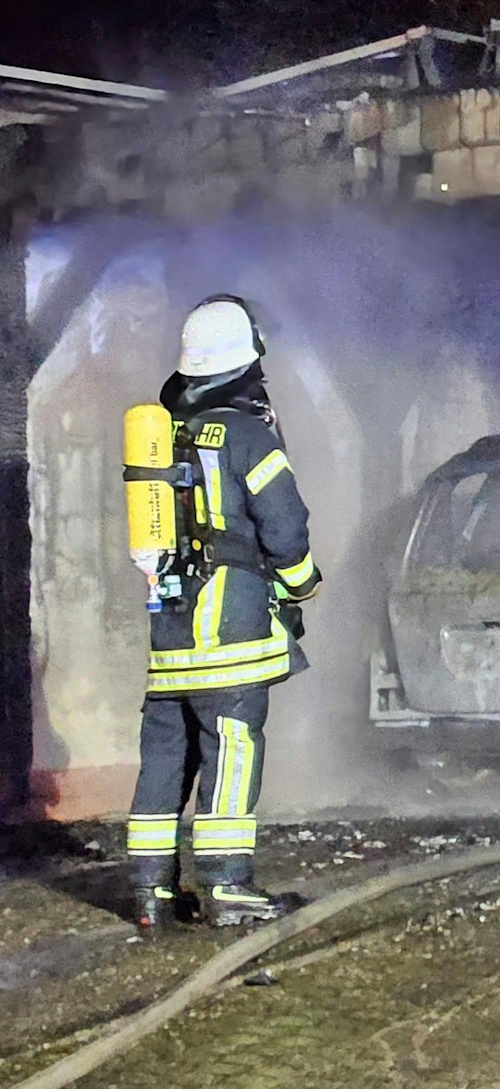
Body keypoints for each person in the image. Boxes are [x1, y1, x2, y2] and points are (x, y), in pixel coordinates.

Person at [126, 296, 322, 932]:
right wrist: (302, 584)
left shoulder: (165, 434)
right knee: (232, 746)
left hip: (169, 635)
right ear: (247, 358)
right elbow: (285, 526)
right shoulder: (244, 432)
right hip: (228, 631)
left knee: (164, 758)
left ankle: (150, 893)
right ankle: (226, 886)